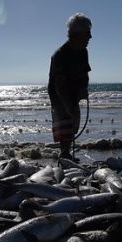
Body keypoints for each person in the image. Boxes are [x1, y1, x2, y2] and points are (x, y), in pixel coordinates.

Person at [48, 12, 92, 161]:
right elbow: (59, 85)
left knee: (73, 126)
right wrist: (68, 106)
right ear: (77, 34)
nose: (90, 37)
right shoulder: (60, 55)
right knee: (65, 126)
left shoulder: (83, 52)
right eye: (88, 34)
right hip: (59, 96)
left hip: (73, 93)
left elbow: (85, 72)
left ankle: (67, 155)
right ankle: (64, 156)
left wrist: (83, 88)